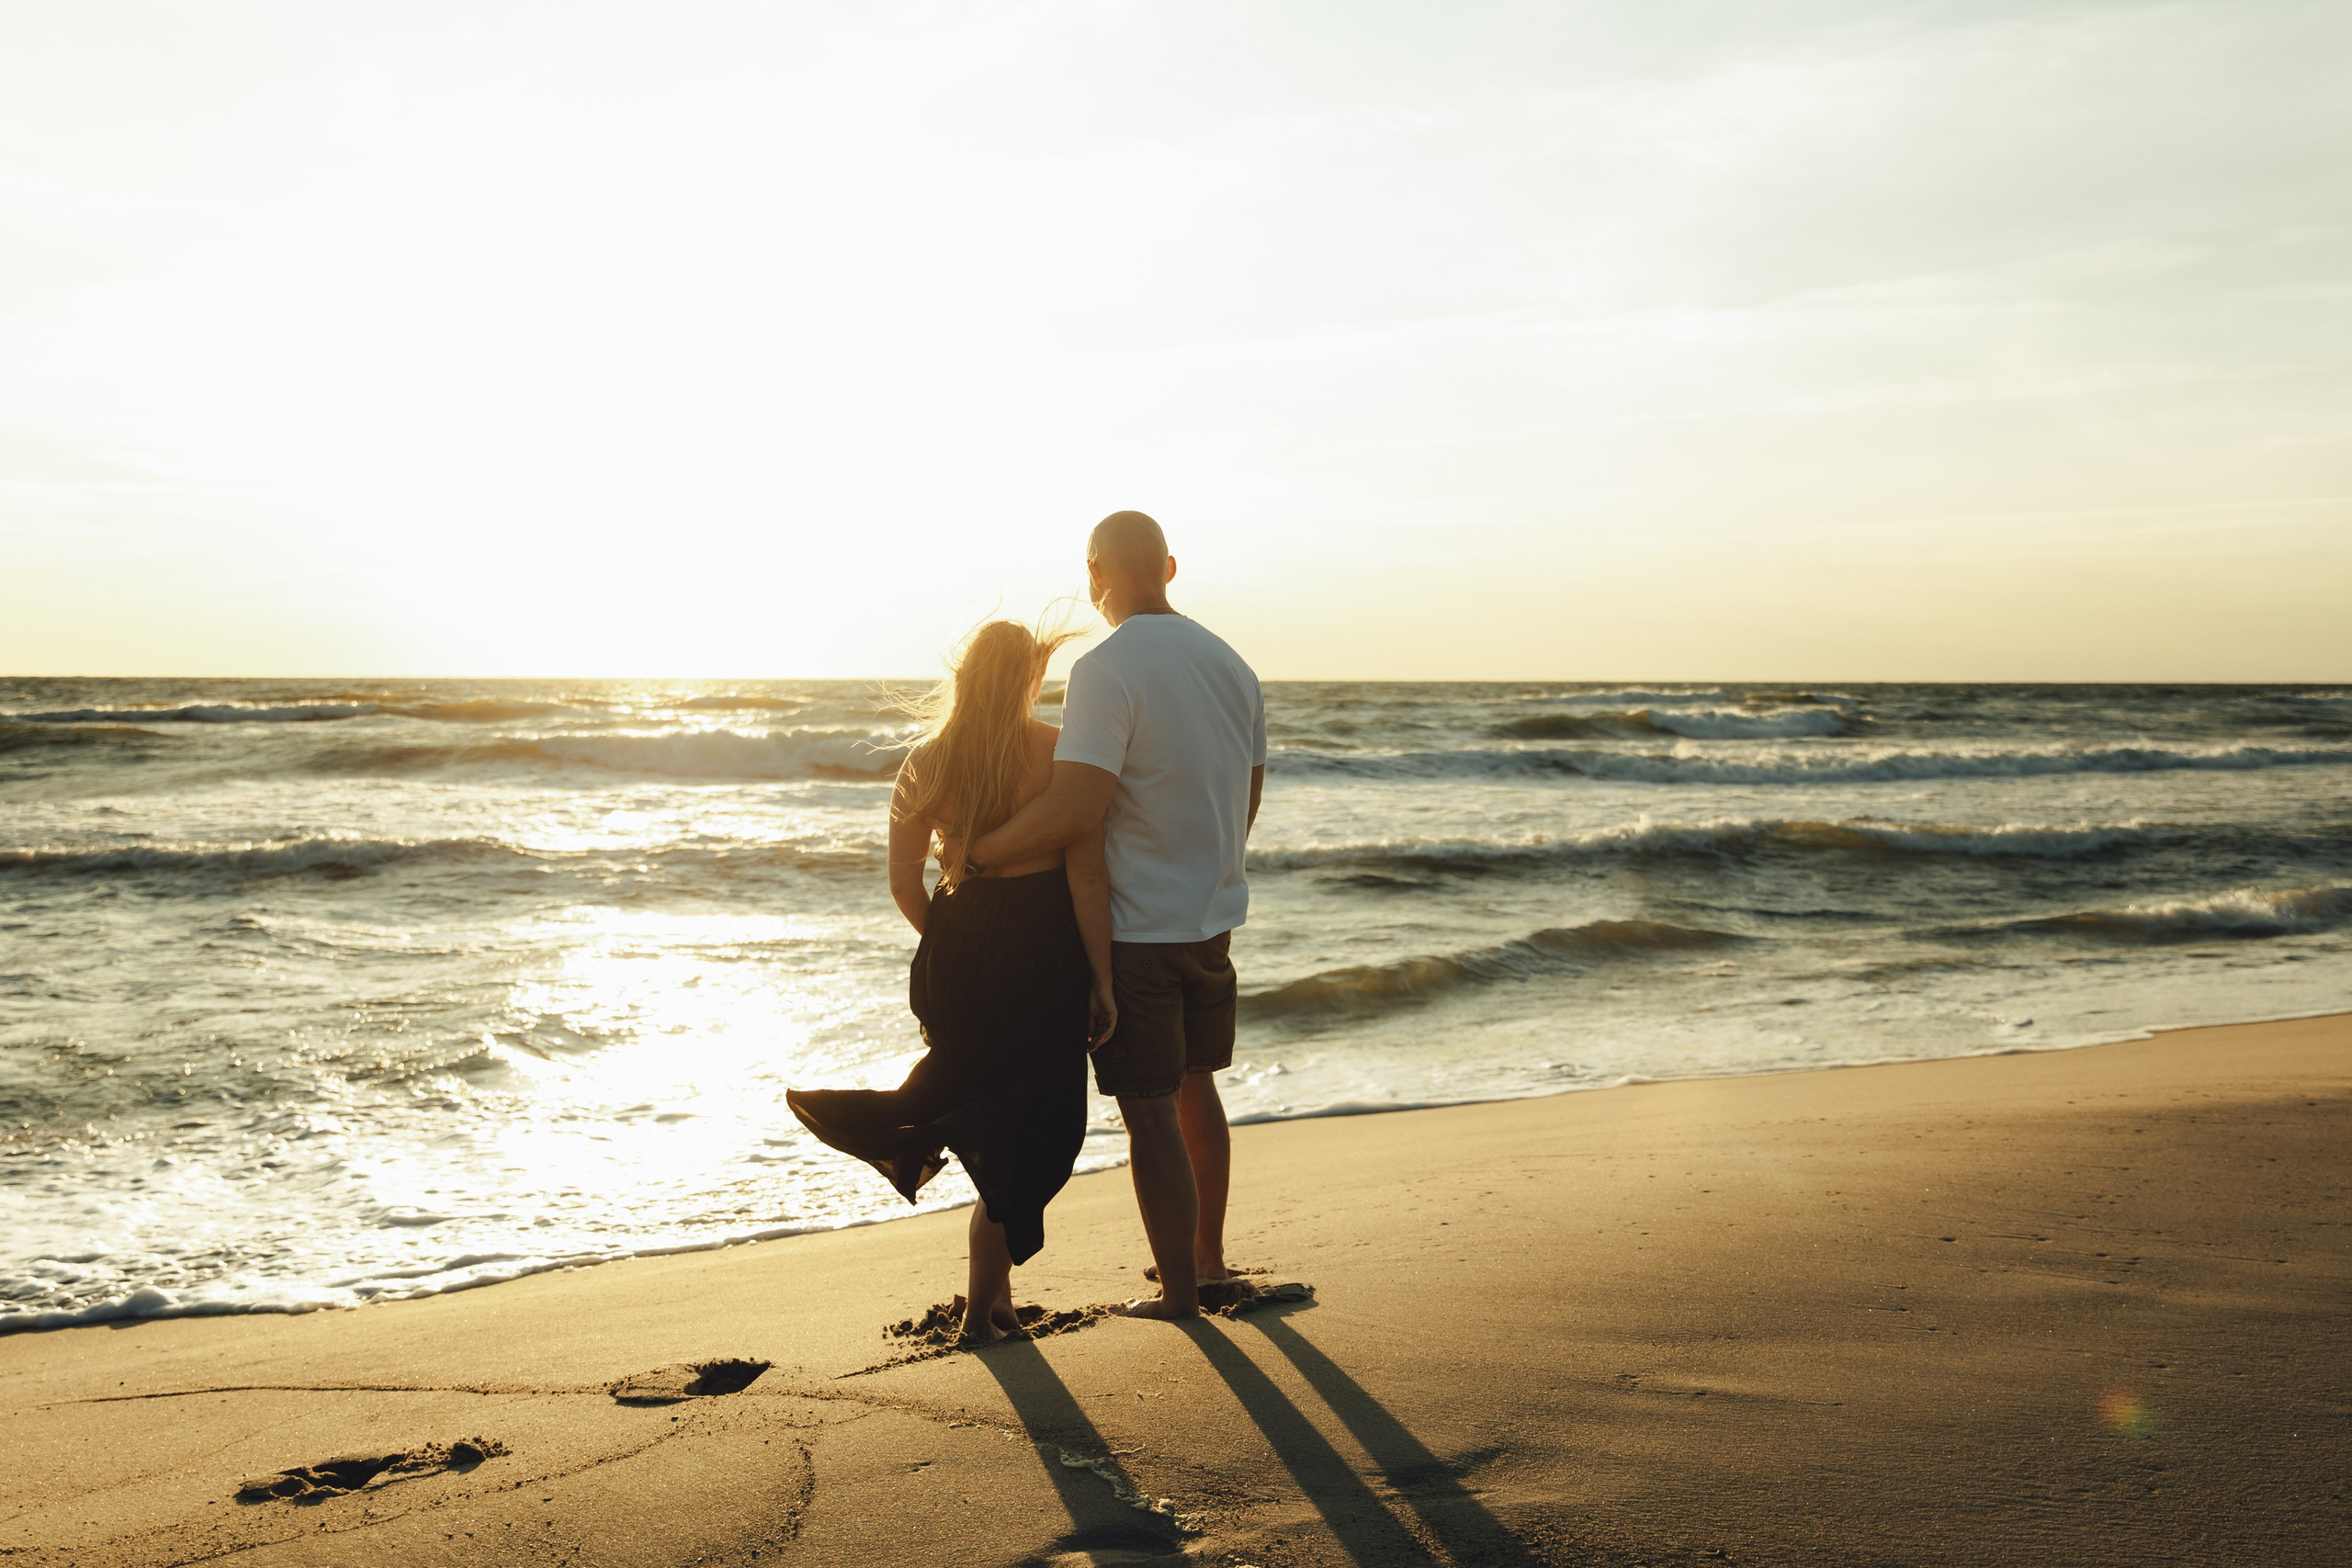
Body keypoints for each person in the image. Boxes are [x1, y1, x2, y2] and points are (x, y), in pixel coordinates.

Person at [786, 618, 1117, 1345]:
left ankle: (993, 1303)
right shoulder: (1059, 750)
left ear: (964, 676)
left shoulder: (926, 759)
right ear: (1031, 677)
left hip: (959, 944)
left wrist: (947, 945)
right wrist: (1102, 977)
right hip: (1042, 950)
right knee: (1034, 1130)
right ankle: (978, 1312)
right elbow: (1087, 874)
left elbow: (904, 884)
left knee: (995, 1116)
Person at [969, 511, 1266, 1320]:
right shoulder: (1233, 664)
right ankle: (1205, 1259)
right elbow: (1246, 795)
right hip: (1212, 918)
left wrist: (982, 852)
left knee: (1149, 1111)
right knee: (1196, 1087)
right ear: (1168, 567)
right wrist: (1208, 870)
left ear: (1095, 572)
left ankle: (1179, 1296)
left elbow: (1076, 805)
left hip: (1137, 928)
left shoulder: (1106, 667)